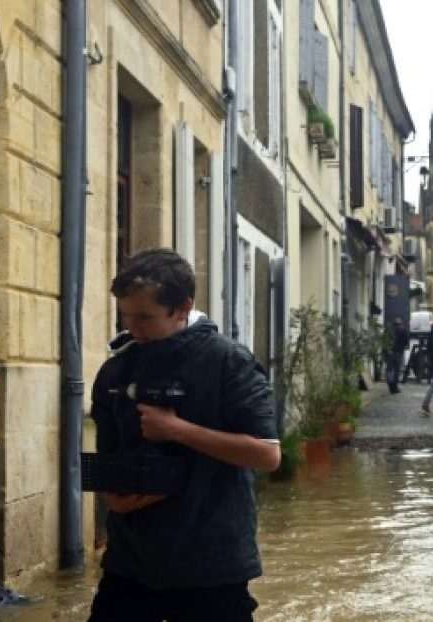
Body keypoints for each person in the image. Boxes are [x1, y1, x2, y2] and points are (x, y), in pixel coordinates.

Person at [88, 249, 281, 622]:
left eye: (145, 317)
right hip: (130, 563)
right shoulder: (116, 371)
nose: (133, 326)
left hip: (210, 565)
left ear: (182, 307)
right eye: (127, 315)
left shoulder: (228, 362)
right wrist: (116, 497)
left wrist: (177, 430)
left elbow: (267, 455)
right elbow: (109, 460)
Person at [385, 317, 410, 394]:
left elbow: (384, 341)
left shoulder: (388, 331)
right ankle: (395, 387)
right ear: (400, 324)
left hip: (389, 353)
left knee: (389, 370)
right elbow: (406, 341)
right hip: (399, 352)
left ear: (393, 324)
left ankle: (390, 384)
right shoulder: (403, 330)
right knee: (397, 371)